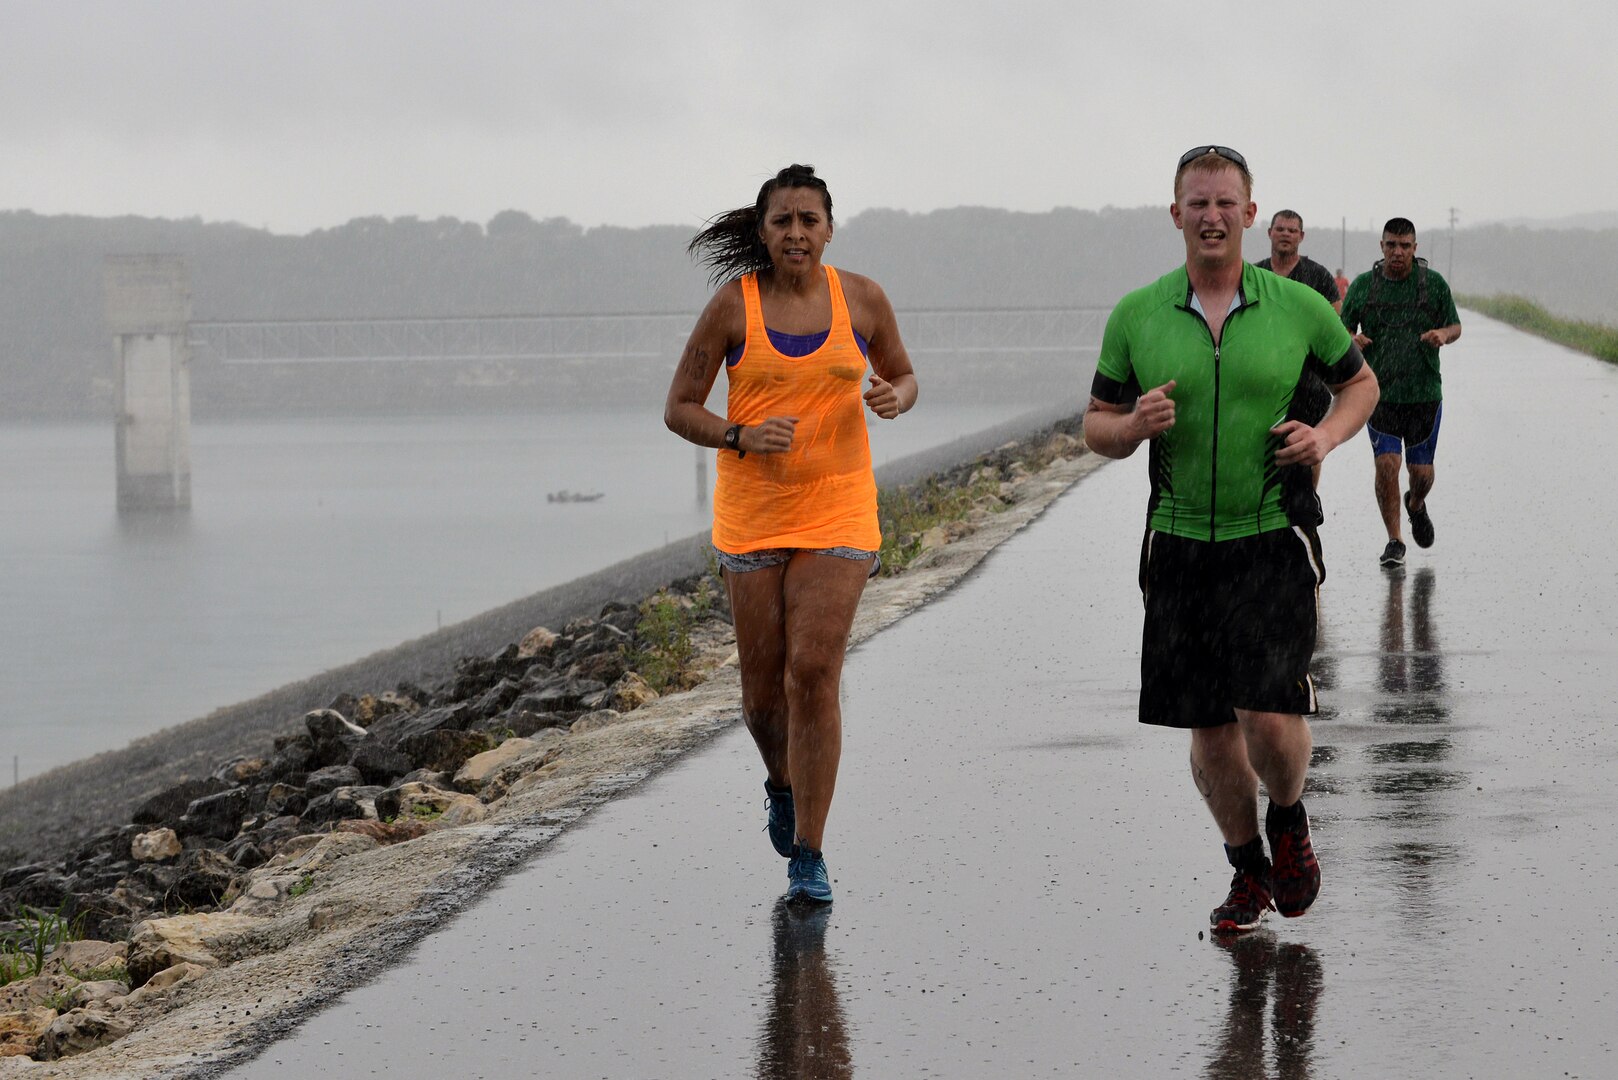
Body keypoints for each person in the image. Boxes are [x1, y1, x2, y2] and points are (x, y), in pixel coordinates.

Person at [1083, 146, 1379, 934]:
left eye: (1225, 203)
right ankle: (1247, 868)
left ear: (1250, 215)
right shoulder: (1137, 315)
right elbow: (1094, 425)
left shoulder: (1295, 306)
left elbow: (1360, 385)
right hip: (1178, 543)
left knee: (1270, 718)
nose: (1211, 216)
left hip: (1271, 533)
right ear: (1175, 213)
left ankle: (1288, 817)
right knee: (1211, 732)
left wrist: (1325, 438)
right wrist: (1130, 428)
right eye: (1196, 202)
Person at [664, 164, 917, 904]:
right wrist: (739, 433)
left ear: (830, 228)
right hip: (753, 515)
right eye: (783, 221)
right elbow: (680, 407)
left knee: (812, 674)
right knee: (762, 701)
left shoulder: (862, 299)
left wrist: (891, 398)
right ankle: (781, 781)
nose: (797, 233)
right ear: (764, 230)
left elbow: (903, 375)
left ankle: (810, 850)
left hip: (839, 508)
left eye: (810, 219)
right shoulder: (732, 308)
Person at [1340, 219, 1462, 568]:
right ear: (1381, 246)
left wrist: (1442, 334)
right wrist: (1351, 339)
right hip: (1379, 393)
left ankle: (1416, 504)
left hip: (1423, 392)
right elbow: (1342, 327)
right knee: (1386, 465)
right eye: (1392, 245)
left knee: (1421, 473)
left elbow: (1455, 326)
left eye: (1405, 246)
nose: (1398, 252)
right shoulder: (1364, 286)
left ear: (1414, 249)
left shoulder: (1433, 285)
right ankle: (1394, 540)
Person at [1256, 210, 1343, 487]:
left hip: (1309, 384)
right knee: (1265, 455)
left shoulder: (1317, 276)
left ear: (1301, 237)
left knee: (1307, 454)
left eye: (1292, 230)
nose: (1285, 234)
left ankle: (1306, 510)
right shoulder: (1254, 276)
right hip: (1262, 382)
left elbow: (1335, 325)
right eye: (1280, 229)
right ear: (1269, 232)